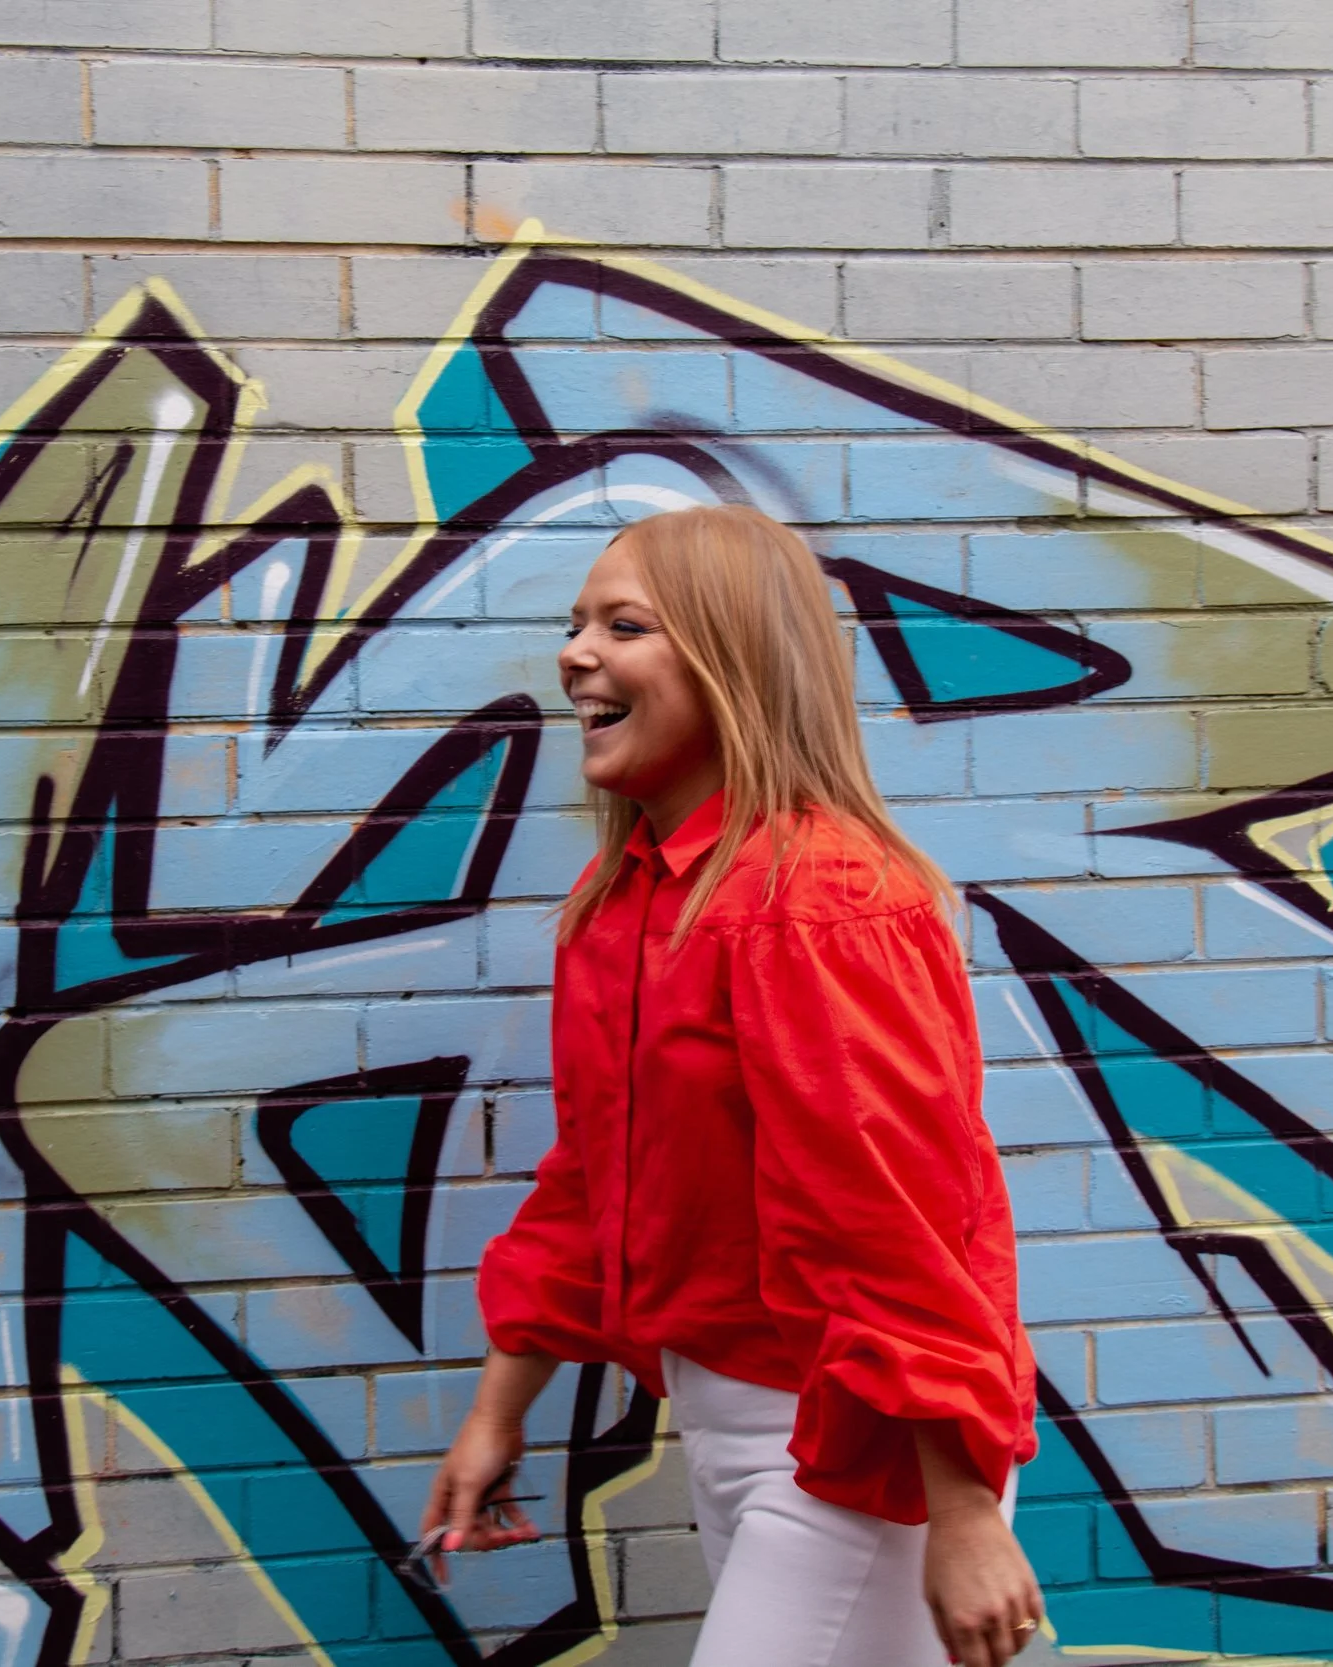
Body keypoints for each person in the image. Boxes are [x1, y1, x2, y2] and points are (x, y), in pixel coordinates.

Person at [420, 503, 1043, 1667]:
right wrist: (498, 1410)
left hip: (863, 1442)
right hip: (727, 1418)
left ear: (733, 660)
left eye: (625, 625)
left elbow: (897, 1215)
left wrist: (959, 1505)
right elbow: (590, 1181)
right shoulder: (625, 903)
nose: (575, 654)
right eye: (577, 624)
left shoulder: (816, 899)